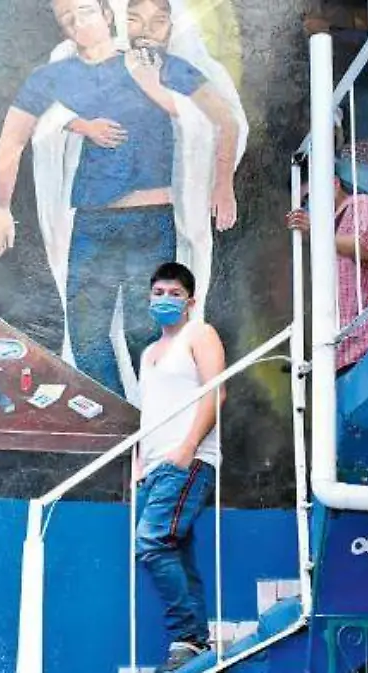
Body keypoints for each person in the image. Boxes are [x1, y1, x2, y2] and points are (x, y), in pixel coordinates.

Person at [0, 0, 240, 400]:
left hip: (150, 220)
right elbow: (12, 139)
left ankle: (156, 420)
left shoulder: (157, 65)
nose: (78, 22)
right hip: (92, 221)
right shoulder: (53, 77)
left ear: (108, 15)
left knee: (147, 332)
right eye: (67, 18)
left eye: (86, 11)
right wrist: (1, 209)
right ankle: (122, 420)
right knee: (86, 336)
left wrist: (222, 185)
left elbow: (224, 119)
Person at [135, 262, 226, 671]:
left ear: (191, 301)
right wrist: (141, 464)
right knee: (175, 551)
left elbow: (217, 393)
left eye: (174, 294)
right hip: (155, 467)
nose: (165, 300)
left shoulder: (200, 333)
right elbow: (150, 411)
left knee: (152, 542)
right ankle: (196, 643)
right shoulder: (148, 353)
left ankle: (188, 636)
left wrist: (188, 447)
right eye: (159, 293)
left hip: (187, 458)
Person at [287, 156, 368, 374]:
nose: (308, 206)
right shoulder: (330, 231)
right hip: (350, 349)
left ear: (334, 183)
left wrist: (315, 231)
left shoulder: (361, 204)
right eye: (304, 202)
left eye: (309, 196)